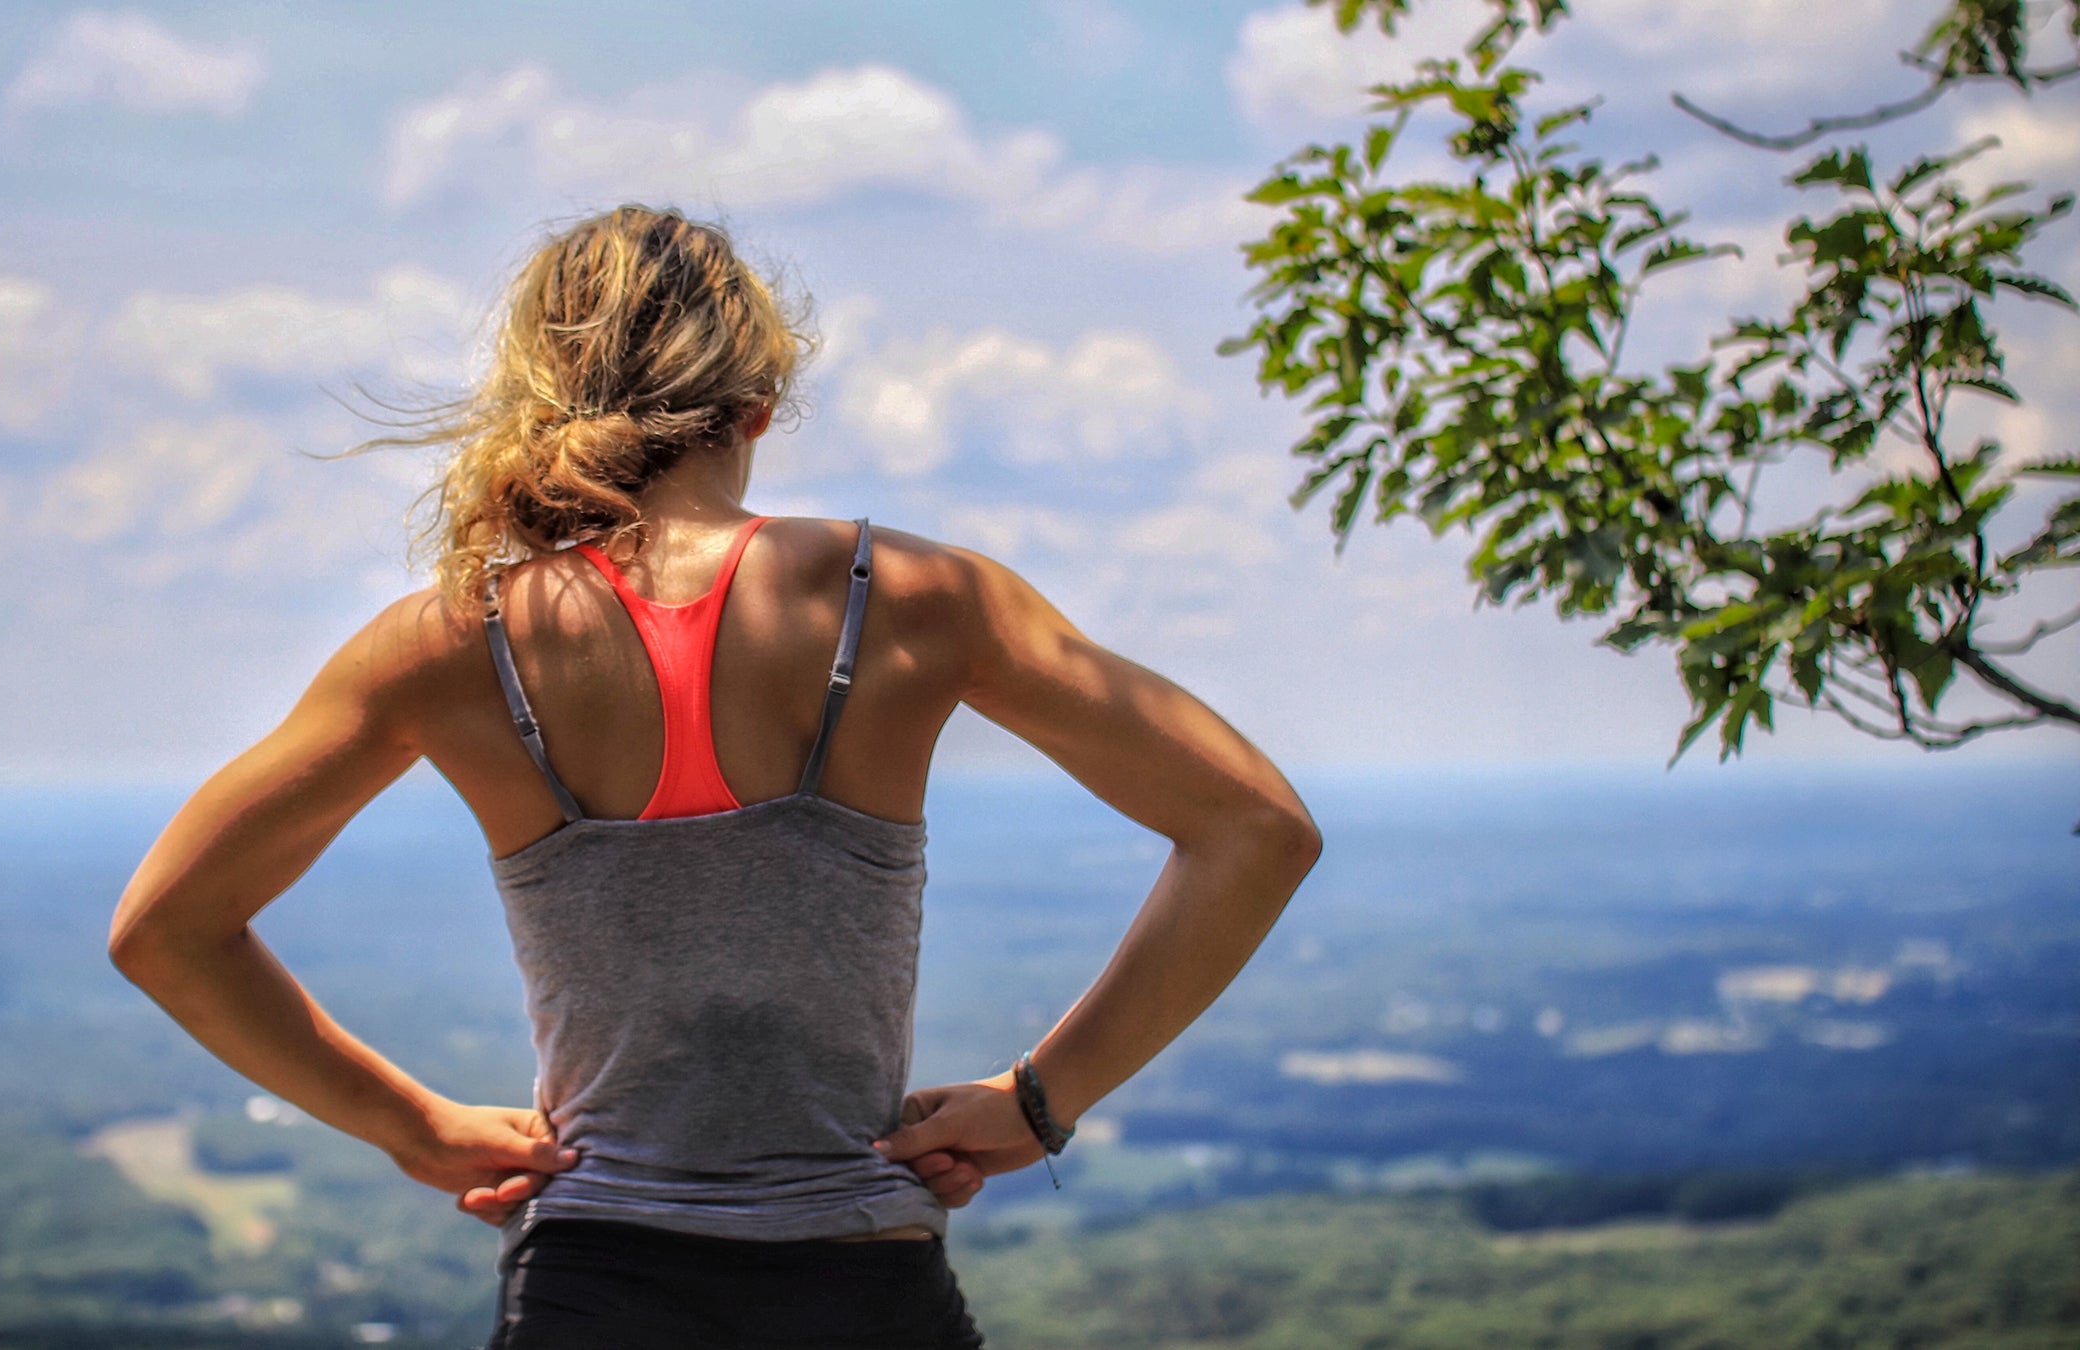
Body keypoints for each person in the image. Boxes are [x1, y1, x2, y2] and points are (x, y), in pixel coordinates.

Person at [107, 204, 1322, 1349]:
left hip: (591, 1287)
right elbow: (1254, 828)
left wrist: (409, 1127)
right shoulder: (911, 602)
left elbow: (167, 928)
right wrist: (1041, 1101)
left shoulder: (447, 643)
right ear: (759, 402)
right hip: (863, 1283)